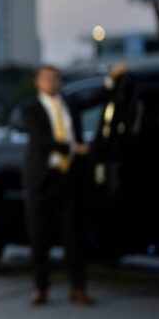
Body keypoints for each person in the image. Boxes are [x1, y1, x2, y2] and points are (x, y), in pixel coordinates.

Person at [20, 65, 93, 306]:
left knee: (73, 234)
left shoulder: (69, 104)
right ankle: (40, 288)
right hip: (41, 179)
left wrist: (112, 82)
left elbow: (94, 99)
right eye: (46, 78)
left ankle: (78, 287)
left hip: (69, 177)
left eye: (55, 78)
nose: (51, 82)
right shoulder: (30, 108)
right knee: (39, 235)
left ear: (59, 81)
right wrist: (74, 149)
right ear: (38, 82)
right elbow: (42, 140)